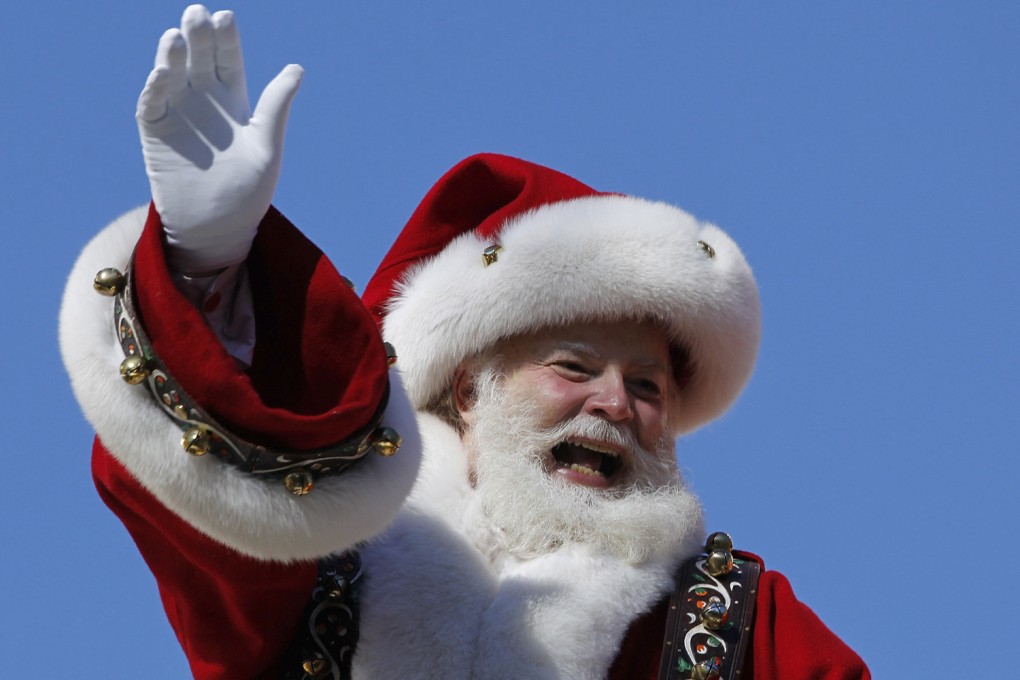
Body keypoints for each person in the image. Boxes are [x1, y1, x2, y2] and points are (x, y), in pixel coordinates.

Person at [60, 6, 869, 679]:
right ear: (468, 394)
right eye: (575, 367)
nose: (616, 403)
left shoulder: (742, 631)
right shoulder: (325, 577)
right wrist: (206, 261)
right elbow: (186, 499)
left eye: (650, 387)